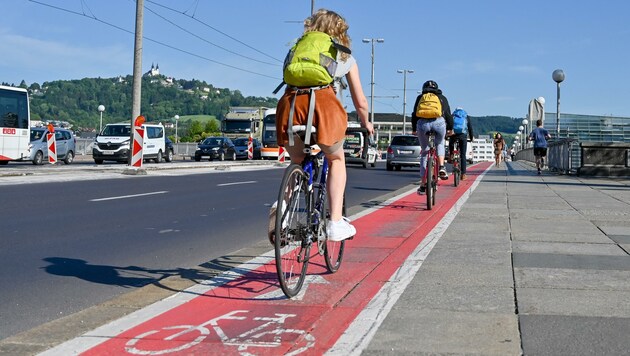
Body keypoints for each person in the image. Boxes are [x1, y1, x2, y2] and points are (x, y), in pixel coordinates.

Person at [275, 9, 373, 242]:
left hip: (290, 107)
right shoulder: (343, 55)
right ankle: (336, 223)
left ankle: (281, 210)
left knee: (297, 160)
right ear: (339, 30)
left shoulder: (296, 48)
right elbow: (360, 101)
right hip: (322, 107)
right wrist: (366, 122)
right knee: (336, 159)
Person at [411, 80, 453, 194]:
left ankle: (423, 184)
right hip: (438, 123)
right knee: (439, 143)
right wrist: (450, 128)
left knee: (425, 152)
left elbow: (414, 114)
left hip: (423, 124)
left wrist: (414, 129)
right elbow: (448, 114)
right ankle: (442, 167)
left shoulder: (420, 97)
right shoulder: (442, 98)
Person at [448, 107, 474, 181]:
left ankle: (451, 155)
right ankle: (463, 174)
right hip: (463, 136)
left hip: (453, 135)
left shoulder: (453, 115)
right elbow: (470, 128)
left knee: (451, 142)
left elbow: (449, 125)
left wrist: (447, 135)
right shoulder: (466, 116)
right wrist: (471, 138)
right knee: (463, 155)